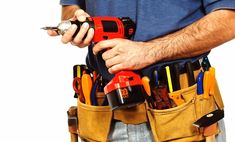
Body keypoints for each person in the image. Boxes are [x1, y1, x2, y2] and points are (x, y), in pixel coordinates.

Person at [48, 1, 235, 142]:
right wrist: (75, 21)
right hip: (102, 113)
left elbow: (229, 19)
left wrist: (148, 52)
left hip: (181, 114)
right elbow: (70, 6)